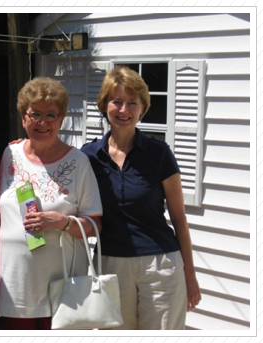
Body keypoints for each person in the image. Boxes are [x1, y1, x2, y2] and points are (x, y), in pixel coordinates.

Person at [81, 65, 202, 330]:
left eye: (132, 103)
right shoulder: (88, 156)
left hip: (161, 264)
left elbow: (179, 219)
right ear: (104, 105)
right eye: (117, 102)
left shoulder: (159, 154)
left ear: (143, 108)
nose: (124, 110)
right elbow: (55, 168)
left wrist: (190, 275)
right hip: (110, 264)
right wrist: (24, 148)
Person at [0, 77, 103, 330]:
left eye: (50, 115)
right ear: (23, 118)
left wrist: (63, 222)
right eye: (35, 114)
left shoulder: (78, 163)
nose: (42, 122)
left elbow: (95, 223)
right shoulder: (9, 155)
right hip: (15, 288)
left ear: (61, 119)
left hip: (63, 288)